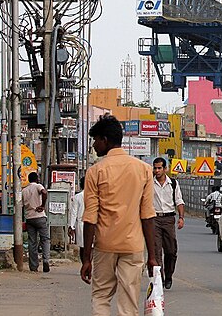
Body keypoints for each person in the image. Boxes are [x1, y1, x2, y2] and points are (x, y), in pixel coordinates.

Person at [81, 115, 157, 316]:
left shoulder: (95, 171)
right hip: (133, 245)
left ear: (105, 140)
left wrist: (86, 258)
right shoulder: (144, 170)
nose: (94, 145)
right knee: (129, 301)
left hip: (105, 244)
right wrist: (153, 256)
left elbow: (90, 217)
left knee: (101, 296)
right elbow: (147, 215)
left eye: (95, 140)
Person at [152, 157, 185, 290]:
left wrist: (181, 217)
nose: (157, 170)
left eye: (159, 168)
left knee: (171, 251)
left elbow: (179, 201)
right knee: (156, 251)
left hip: (169, 220)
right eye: (155, 168)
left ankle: (169, 275)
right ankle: (159, 279)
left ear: (165, 169)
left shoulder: (173, 184)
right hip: (154, 219)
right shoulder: (149, 183)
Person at [22, 171, 50, 273]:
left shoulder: (24, 190)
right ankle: (46, 260)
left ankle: (33, 266)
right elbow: (44, 192)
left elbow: (20, 205)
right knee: (45, 239)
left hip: (29, 218)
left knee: (32, 242)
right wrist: (42, 205)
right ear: (37, 179)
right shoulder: (38, 186)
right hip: (40, 217)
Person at [68, 176, 86, 263]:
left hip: (81, 223)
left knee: (82, 246)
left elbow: (74, 212)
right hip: (93, 223)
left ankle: (84, 264)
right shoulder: (95, 196)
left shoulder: (77, 197)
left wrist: (71, 226)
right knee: (91, 246)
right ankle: (89, 262)